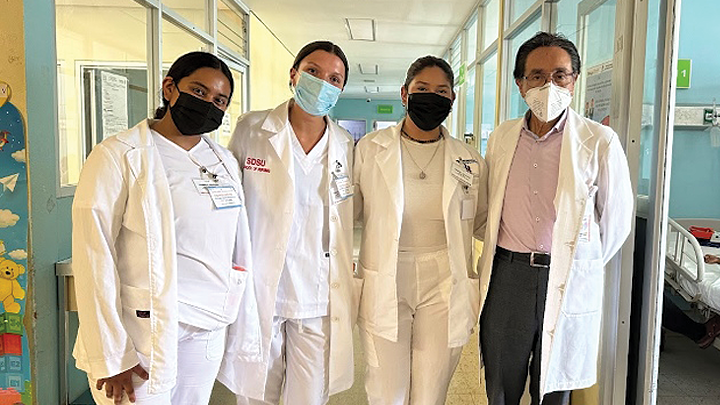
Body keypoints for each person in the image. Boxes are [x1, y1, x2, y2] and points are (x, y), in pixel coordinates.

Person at [72, 51, 259, 405]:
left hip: (207, 324)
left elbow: (235, 242)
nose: (208, 105)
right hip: (144, 328)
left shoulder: (223, 162)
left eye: (219, 100)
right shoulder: (118, 155)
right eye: (199, 92)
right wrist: (111, 355)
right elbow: (93, 255)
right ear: (169, 88)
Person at [478, 32, 634, 405]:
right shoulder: (501, 137)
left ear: (574, 80)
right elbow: (488, 206)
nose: (549, 85)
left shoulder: (599, 141)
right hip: (508, 276)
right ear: (520, 84)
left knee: (553, 387)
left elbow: (616, 223)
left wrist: (576, 262)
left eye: (560, 75)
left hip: (564, 277)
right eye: (536, 75)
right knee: (501, 381)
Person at [217, 41, 356, 405]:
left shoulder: (344, 144)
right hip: (263, 289)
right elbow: (230, 204)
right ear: (293, 75)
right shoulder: (252, 129)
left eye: (334, 78)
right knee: (255, 395)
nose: (323, 82)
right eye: (313, 71)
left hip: (317, 296)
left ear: (340, 90)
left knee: (309, 398)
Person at [353, 56, 488, 405]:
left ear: (452, 100)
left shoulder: (469, 159)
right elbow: (346, 213)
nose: (432, 97)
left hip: (444, 276)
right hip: (386, 272)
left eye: (442, 91)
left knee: (431, 392)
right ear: (404, 93)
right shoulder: (370, 149)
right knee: (387, 390)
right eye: (422, 89)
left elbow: (485, 221)